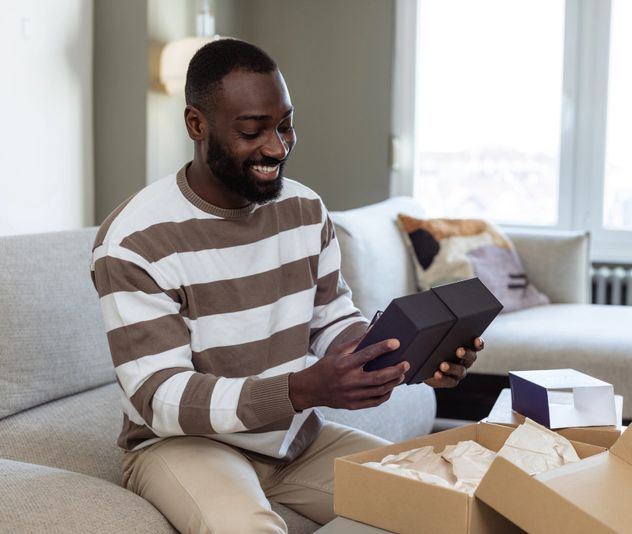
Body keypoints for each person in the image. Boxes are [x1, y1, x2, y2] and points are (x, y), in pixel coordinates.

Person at [90, 38, 484, 533]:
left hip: (290, 441)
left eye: (285, 125)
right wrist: (301, 388)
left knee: (449, 503)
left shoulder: (304, 209)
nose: (277, 147)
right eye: (253, 130)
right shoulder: (133, 241)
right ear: (196, 124)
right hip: (185, 444)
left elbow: (331, 317)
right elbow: (161, 398)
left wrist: (407, 358)